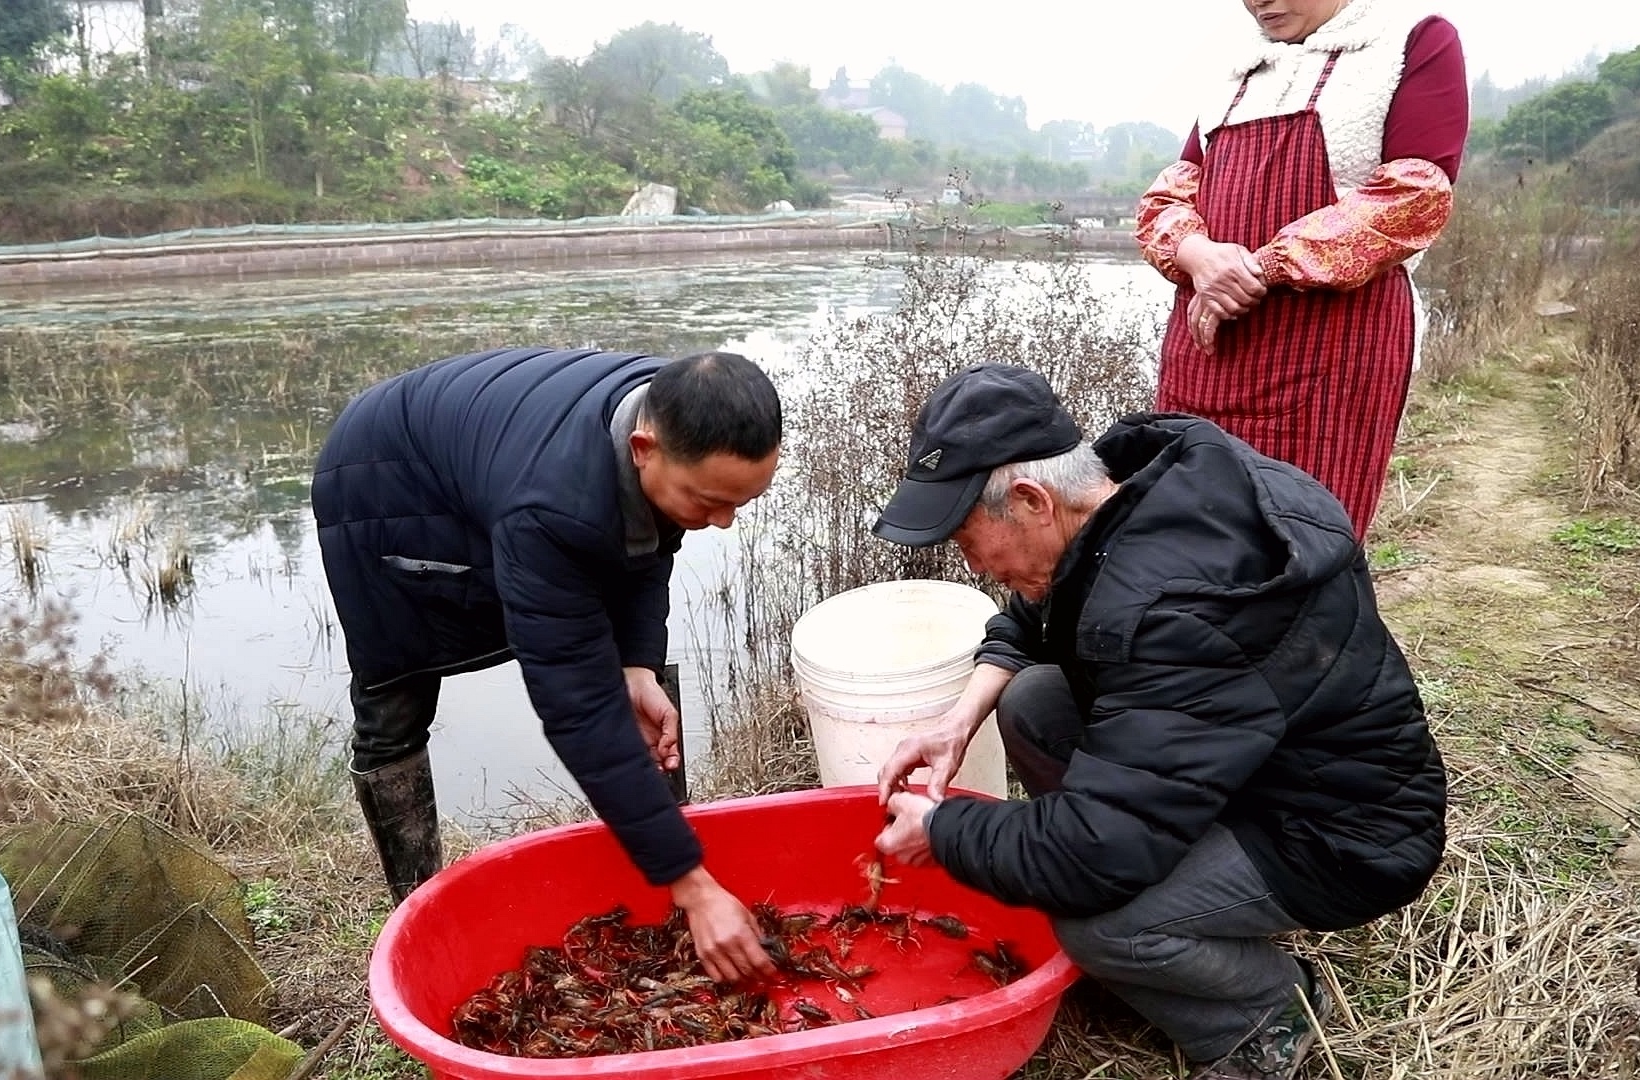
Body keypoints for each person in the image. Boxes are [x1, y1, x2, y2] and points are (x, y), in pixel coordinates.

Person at [868, 364, 1446, 1080]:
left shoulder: (1174, 611)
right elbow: (1039, 613)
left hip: (1338, 834)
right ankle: (1167, 892)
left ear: (1029, 499)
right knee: (1033, 704)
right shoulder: (1127, 485)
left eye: (966, 540)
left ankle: (1270, 1012)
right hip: (1246, 763)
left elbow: (1091, 853)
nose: (976, 566)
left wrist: (943, 830)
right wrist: (959, 720)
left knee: (1095, 920)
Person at [311, 346, 782, 984]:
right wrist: (694, 884)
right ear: (643, 448)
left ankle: (664, 874)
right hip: (382, 484)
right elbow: (578, 707)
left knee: (624, 673)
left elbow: (651, 540)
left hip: (492, 457)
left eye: (741, 503)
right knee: (395, 682)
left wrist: (637, 664)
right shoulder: (550, 507)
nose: (723, 522)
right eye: (709, 501)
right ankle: (416, 917)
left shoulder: (683, 411)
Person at [1135, 0, 1469, 540]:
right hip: (1206, 349)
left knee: (1303, 538)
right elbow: (1167, 198)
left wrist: (1259, 269)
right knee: (1185, 530)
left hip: (1328, 349)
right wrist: (1198, 255)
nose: (1258, 1)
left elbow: (1415, 194)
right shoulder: (1238, 68)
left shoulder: (1408, 43)